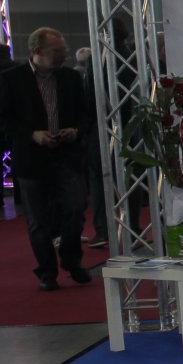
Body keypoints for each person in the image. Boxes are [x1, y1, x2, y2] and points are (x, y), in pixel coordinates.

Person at [0, 28, 92, 290]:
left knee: (75, 208)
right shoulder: (11, 79)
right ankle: (46, 272)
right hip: (31, 158)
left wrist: (75, 131)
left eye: (64, 50)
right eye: (58, 51)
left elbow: (86, 113)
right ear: (38, 51)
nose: (64, 55)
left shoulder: (71, 78)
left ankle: (71, 260)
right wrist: (33, 135)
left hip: (67, 154)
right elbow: (5, 119)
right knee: (37, 220)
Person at [75, 45, 109, 247]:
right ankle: (132, 229)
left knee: (98, 180)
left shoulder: (90, 68)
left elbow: (87, 100)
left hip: (96, 131)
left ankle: (103, 230)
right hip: (106, 129)